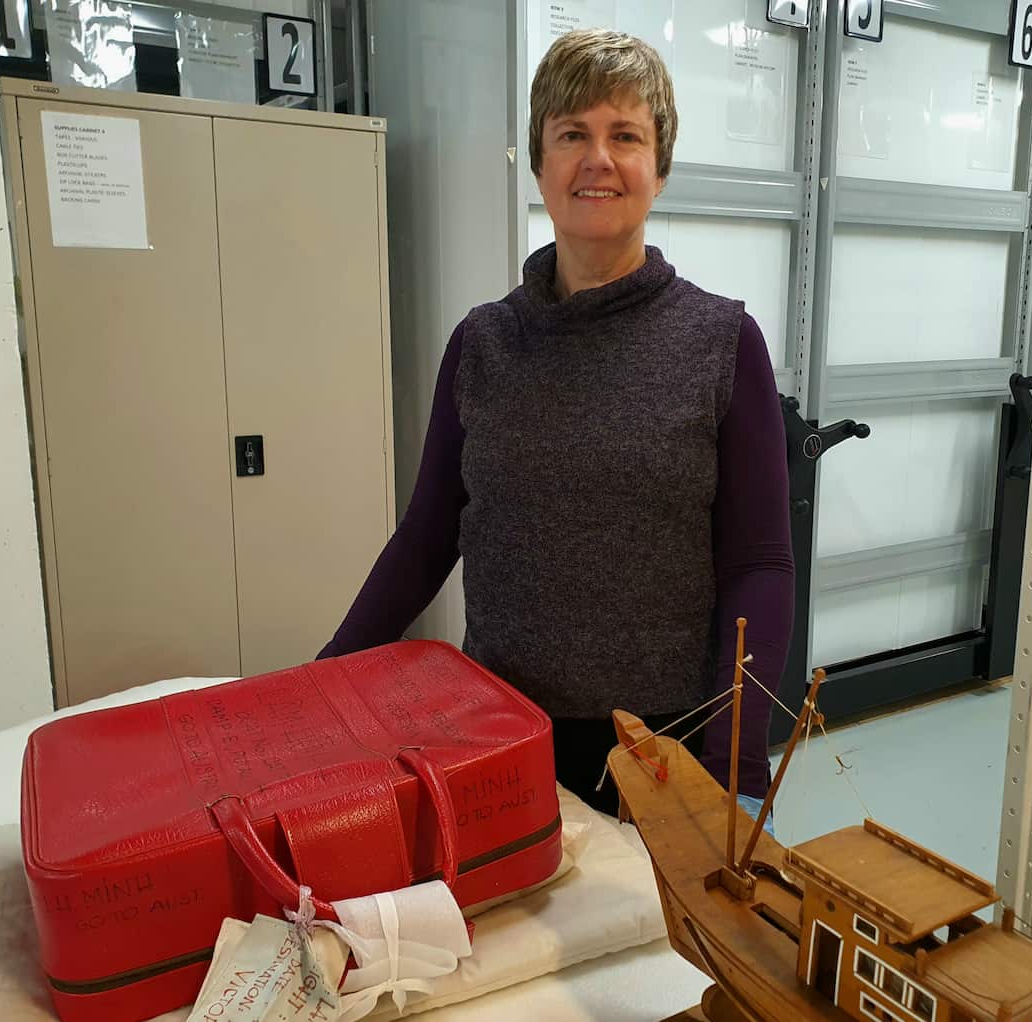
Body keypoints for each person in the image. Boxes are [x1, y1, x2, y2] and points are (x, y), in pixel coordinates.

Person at [319, 28, 793, 818]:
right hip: (495, 740)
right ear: (540, 164)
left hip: (663, 752)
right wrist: (322, 679)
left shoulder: (722, 343)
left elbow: (761, 566)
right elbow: (426, 538)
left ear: (659, 167)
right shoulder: (482, 344)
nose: (597, 158)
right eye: (572, 134)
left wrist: (733, 761)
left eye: (626, 135)